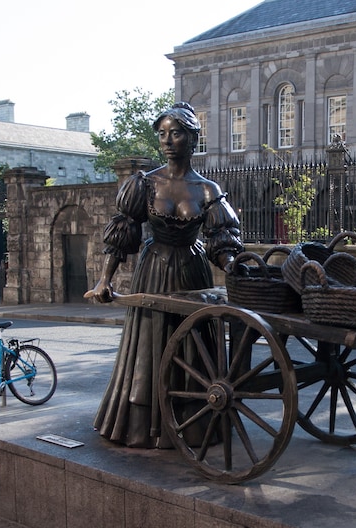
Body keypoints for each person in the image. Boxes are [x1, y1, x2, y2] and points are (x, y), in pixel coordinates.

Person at [85, 102, 243, 448]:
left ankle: (196, 424)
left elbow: (222, 240)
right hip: (153, 271)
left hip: (192, 274)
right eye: (163, 134)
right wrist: (105, 279)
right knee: (149, 348)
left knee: (192, 347)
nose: (168, 140)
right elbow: (123, 231)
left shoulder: (207, 190)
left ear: (193, 139)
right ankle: (143, 425)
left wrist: (233, 266)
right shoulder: (144, 183)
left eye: (177, 133)